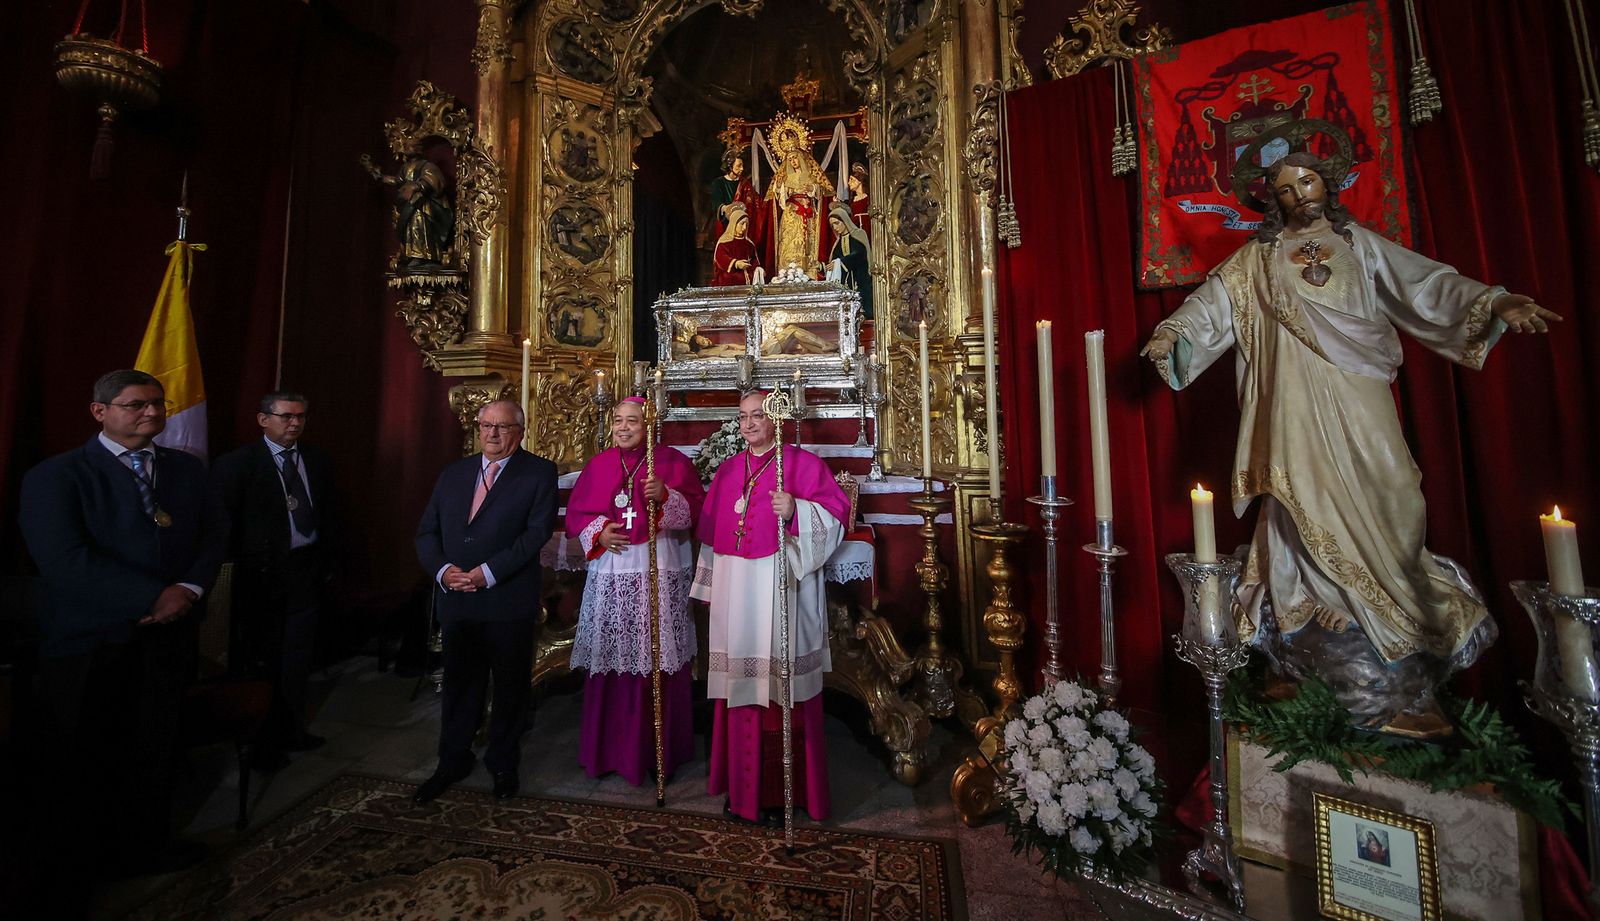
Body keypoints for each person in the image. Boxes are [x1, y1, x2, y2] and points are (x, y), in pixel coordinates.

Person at [1140, 143, 1560, 734]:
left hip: (1357, 394)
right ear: (1271, 199)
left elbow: (1426, 285)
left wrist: (1494, 302)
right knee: (1298, 507)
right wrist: (1173, 336)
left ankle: (1403, 635)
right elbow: (1207, 310)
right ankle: (1309, 627)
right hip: (1291, 412)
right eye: (1284, 189)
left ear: (1326, 183)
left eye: (1306, 182)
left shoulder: (1360, 246)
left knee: (1396, 493)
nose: (1298, 197)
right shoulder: (1254, 262)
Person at [18, 369, 222, 886]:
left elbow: (213, 537)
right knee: (84, 757)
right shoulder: (56, 475)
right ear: (100, 411)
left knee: (155, 748)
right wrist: (153, 596)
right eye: (136, 405)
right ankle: (80, 867)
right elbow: (63, 560)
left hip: (167, 638)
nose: (152, 413)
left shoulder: (188, 470)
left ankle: (147, 846)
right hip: (90, 642)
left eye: (158, 404)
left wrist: (190, 590)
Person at [692, 390, 850, 824]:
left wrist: (797, 508)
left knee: (783, 690)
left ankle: (790, 792)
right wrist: (708, 588)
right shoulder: (727, 471)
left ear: (775, 419)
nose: (748, 424)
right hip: (737, 594)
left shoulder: (801, 465)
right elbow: (712, 536)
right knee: (741, 688)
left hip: (782, 591)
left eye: (757, 415)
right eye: (742, 417)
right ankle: (743, 795)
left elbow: (836, 520)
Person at [414, 400, 558, 802]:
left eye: (502, 427)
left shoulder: (539, 472)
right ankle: (452, 760)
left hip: (506, 599)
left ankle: (503, 764)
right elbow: (427, 533)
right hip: (457, 599)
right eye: (485, 426)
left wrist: (486, 573)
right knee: (460, 684)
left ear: (521, 431)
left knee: (511, 687)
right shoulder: (453, 474)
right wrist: (444, 572)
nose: (492, 434)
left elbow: (535, 535)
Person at [565, 397, 705, 785]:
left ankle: (660, 752)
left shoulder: (673, 462)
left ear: (649, 425)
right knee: (613, 653)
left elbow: (695, 511)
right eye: (618, 421)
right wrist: (599, 530)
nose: (623, 428)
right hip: (613, 569)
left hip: (660, 567)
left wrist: (665, 496)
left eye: (633, 422)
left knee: (657, 656)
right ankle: (611, 750)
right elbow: (579, 514)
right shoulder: (599, 464)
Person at [210, 391, 338, 769]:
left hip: (304, 570)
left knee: (297, 658)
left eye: (300, 416)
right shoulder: (238, 465)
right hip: (259, 576)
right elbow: (222, 523)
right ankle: (260, 743)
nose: (294, 423)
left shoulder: (315, 459)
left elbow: (330, 512)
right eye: (286, 416)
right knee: (261, 659)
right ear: (263, 419)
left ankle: (291, 729)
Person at [765, 115, 834, 276]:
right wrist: (782, 189)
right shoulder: (783, 176)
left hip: (809, 213)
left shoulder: (811, 174)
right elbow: (774, 198)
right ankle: (788, 273)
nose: (793, 161)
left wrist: (814, 189)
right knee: (791, 243)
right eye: (790, 159)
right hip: (791, 213)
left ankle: (808, 272)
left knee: (808, 242)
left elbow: (825, 190)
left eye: (795, 158)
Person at [826, 203, 873, 319]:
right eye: (833, 226)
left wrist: (840, 262)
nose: (835, 228)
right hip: (846, 284)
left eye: (837, 223)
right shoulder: (838, 242)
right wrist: (823, 266)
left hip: (860, 281)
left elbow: (860, 254)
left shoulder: (859, 234)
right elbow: (834, 260)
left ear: (845, 220)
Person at [713, 203, 764, 286]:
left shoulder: (749, 243)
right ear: (734, 224)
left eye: (746, 225)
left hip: (748, 278)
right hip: (730, 278)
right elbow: (721, 258)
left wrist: (757, 268)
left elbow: (753, 259)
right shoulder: (724, 242)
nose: (744, 228)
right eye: (742, 224)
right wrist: (736, 263)